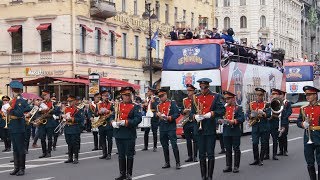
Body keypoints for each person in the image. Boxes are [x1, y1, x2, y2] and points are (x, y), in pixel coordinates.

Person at [191, 78, 225, 180]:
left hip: (210, 129)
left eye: (204, 87)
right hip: (199, 129)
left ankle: (210, 176)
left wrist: (211, 113)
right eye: (201, 87)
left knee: (210, 153)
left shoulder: (215, 96)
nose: (203, 89)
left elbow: (222, 110)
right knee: (201, 154)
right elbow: (191, 113)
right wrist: (195, 117)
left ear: (208, 86)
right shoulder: (195, 97)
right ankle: (203, 176)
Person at [112, 86, 142, 180]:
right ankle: (122, 174)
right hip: (119, 133)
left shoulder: (135, 106)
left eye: (129, 95)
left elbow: (138, 119)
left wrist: (126, 122)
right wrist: (112, 122)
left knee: (129, 155)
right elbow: (112, 116)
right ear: (122, 96)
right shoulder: (117, 105)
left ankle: (129, 174)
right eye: (125, 95)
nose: (127, 97)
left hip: (129, 134)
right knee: (121, 155)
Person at [297, 86, 320, 180]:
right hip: (308, 137)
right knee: (309, 161)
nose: (307, 96)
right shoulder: (303, 108)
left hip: (319, 136)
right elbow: (298, 121)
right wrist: (303, 124)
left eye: (309, 94)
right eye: (306, 95)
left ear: (315, 95)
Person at [7, 81, 30, 176]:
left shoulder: (20, 100)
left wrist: (11, 109)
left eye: (12, 90)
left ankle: (22, 168)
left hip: (19, 127)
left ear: (14, 90)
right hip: (13, 126)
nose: (11, 92)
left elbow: (19, 113)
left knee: (20, 148)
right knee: (15, 148)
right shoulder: (13, 100)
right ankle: (16, 168)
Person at [156, 88, 181, 169]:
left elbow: (177, 113)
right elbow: (157, 116)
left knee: (174, 145)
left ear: (166, 95)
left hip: (170, 127)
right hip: (163, 127)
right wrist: (158, 116)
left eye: (162, 96)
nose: (161, 98)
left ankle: (178, 163)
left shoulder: (172, 103)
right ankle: (167, 162)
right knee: (164, 146)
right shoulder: (158, 105)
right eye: (159, 96)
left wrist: (169, 117)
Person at [220, 91, 244, 173]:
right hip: (226, 130)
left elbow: (242, 118)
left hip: (235, 130)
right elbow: (218, 116)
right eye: (225, 99)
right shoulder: (224, 108)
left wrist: (234, 121)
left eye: (228, 98)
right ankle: (228, 166)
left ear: (233, 98)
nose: (226, 100)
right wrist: (219, 121)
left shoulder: (238, 108)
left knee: (236, 148)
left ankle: (236, 166)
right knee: (228, 149)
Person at [248, 88, 271, 166]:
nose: (258, 96)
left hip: (264, 126)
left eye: (260, 95)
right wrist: (250, 115)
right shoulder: (252, 104)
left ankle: (261, 159)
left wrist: (263, 113)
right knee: (254, 143)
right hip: (255, 126)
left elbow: (269, 115)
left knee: (263, 143)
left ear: (263, 95)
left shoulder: (266, 104)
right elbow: (248, 114)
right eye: (257, 94)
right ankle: (256, 159)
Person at [38, 90, 61, 158]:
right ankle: (44, 152)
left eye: (45, 95)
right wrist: (42, 110)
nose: (44, 97)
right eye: (43, 96)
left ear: (48, 95)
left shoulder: (53, 103)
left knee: (49, 138)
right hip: (42, 122)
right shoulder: (42, 103)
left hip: (50, 121)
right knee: (42, 138)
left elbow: (57, 111)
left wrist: (49, 111)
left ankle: (49, 152)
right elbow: (38, 111)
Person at [63, 95, 84, 164]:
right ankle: (70, 157)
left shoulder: (78, 109)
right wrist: (62, 116)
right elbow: (63, 117)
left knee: (75, 143)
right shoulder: (66, 109)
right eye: (68, 101)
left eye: (71, 101)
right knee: (69, 143)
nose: (69, 102)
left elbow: (81, 119)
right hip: (67, 128)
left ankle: (76, 158)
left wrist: (72, 119)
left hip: (75, 128)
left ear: (75, 101)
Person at [182, 84, 198, 162]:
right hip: (187, 122)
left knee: (195, 139)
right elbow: (181, 110)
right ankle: (190, 156)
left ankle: (195, 156)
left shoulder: (197, 99)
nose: (188, 92)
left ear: (194, 91)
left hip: (194, 121)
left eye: (190, 90)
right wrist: (183, 111)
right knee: (188, 140)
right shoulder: (184, 100)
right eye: (187, 90)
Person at [142, 86, 160, 152]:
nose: (147, 92)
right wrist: (144, 105)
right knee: (146, 132)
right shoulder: (147, 99)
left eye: (149, 91)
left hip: (153, 117)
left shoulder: (156, 98)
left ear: (152, 92)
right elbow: (144, 109)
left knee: (154, 132)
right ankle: (145, 146)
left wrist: (153, 102)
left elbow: (157, 107)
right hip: (147, 116)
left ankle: (155, 146)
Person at [98, 89, 114, 160]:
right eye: (105, 96)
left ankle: (109, 154)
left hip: (108, 124)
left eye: (107, 96)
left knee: (109, 139)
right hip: (101, 124)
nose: (106, 97)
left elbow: (114, 113)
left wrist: (109, 111)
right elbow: (95, 114)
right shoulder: (98, 105)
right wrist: (99, 112)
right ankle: (104, 153)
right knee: (102, 139)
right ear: (102, 96)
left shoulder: (111, 104)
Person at [277, 90, 292, 156]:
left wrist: (285, 117)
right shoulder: (277, 102)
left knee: (284, 136)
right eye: (279, 94)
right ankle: (280, 150)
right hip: (278, 121)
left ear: (283, 95)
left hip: (284, 121)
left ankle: (285, 150)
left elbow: (290, 111)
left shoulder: (287, 102)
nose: (279, 96)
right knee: (279, 136)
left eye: (280, 94)